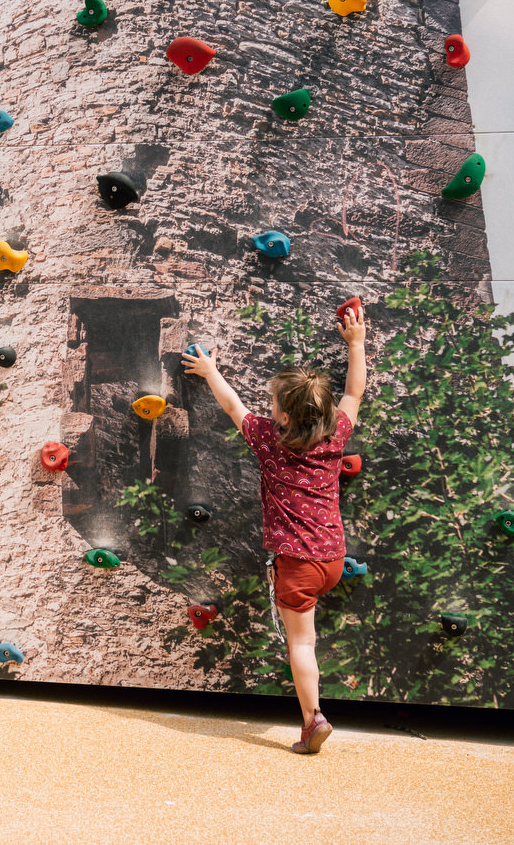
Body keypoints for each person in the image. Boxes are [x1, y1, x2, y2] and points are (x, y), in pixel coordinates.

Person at [181, 303, 367, 753]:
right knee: (308, 638)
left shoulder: (268, 439)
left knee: (302, 645)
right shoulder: (335, 437)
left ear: (282, 417)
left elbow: (232, 404)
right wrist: (357, 345)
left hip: (297, 566)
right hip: (333, 559)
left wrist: (209, 371)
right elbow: (354, 394)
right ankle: (312, 715)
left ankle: (313, 717)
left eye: (274, 404)